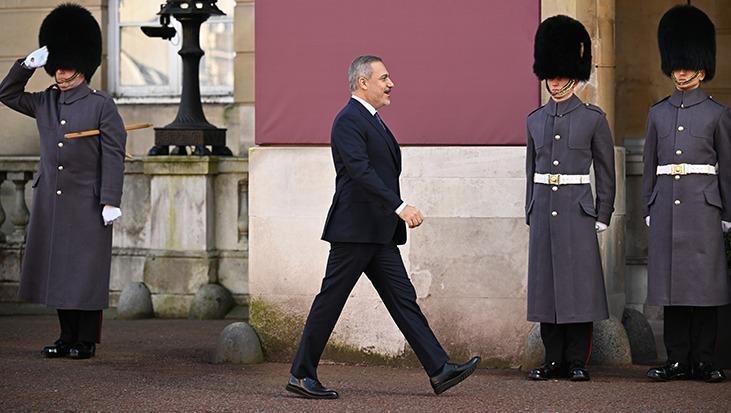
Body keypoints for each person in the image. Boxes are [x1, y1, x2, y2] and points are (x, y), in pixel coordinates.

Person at [285, 55, 480, 399]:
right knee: (330, 301)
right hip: (354, 231)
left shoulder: (370, 119)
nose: (391, 84)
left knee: (404, 301)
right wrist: (400, 207)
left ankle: (439, 369)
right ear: (363, 82)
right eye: (384, 78)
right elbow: (361, 173)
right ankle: (302, 375)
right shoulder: (348, 120)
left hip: (377, 233)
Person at [0, 3, 127, 359]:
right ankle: (66, 336)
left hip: (87, 201)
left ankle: (85, 341)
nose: (59, 76)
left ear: (82, 70)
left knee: (84, 273)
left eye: (66, 71)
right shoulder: (45, 103)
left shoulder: (102, 105)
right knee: (57, 270)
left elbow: (114, 154)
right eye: (56, 70)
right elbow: (6, 93)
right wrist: (27, 64)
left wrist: (110, 200)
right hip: (52, 200)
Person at [525, 15, 616, 382]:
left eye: (562, 75)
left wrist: (603, 213)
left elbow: (606, 170)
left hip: (579, 211)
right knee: (547, 288)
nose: (556, 81)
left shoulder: (593, 118)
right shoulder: (534, 120)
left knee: (578, 287)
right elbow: (531, 170)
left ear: (574, 76)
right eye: (551, 74)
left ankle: (577, 360)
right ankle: (554, 359)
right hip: (545, 210)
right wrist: (530, 208)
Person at [643, 4, 731, 383]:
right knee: (672, 287)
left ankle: (705, 360)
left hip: (704, 208)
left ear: (701, 66)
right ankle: (676, 358)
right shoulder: (658, 113)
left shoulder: (718, 113)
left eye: (686, 65)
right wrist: (649, 204)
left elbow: (726, 166)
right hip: (667, 208)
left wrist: (728, 212)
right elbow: (650, 163)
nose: (680, 72)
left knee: (705, 287)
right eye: (676, 65)